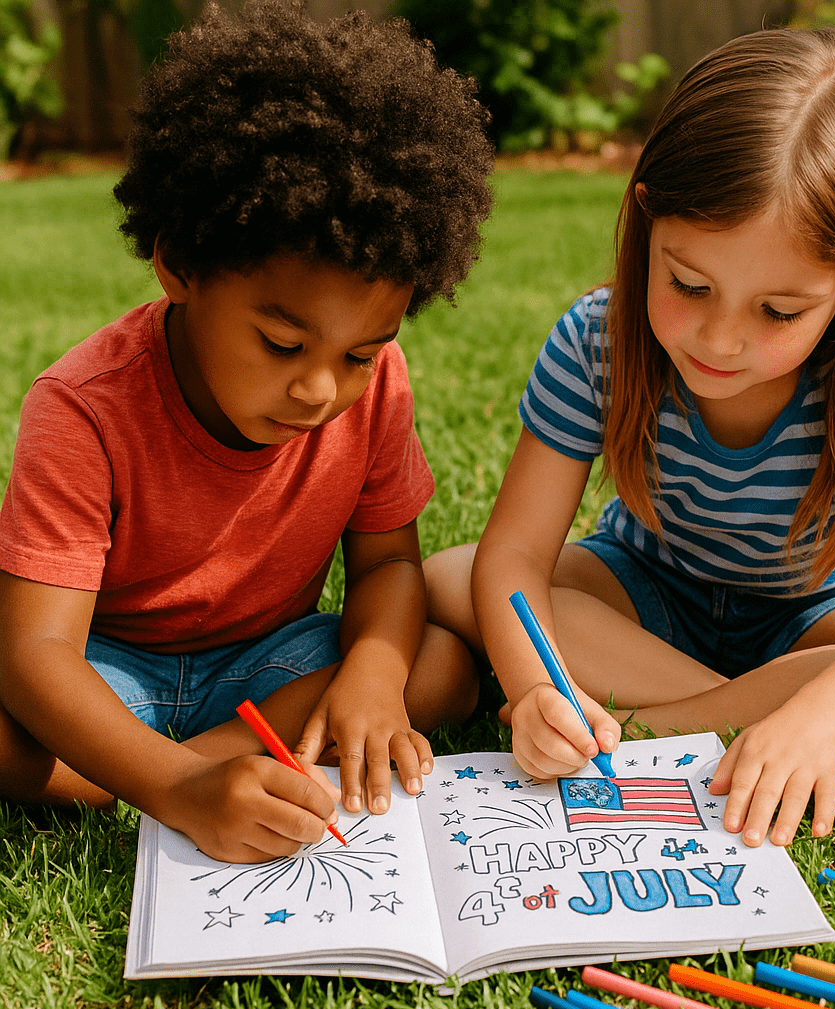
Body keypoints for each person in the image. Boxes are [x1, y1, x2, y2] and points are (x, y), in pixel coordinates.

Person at [425, 27, 835, 849]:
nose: (720, 339)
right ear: (647, 218)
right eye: (689, 284)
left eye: (779, 311)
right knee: (453, 578)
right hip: (649, 591)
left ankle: (659, 725)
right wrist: (533, 691)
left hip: (822, 617)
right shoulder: (597, 339)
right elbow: (517, 557)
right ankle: (727, 710)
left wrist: (821, 715)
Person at [0, 0, 493, 863]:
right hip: (109, 673)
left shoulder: (374, 391)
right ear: (180, 264)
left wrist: (373, 680)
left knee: (440, 665)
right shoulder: (83, 407)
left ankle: (182, 765)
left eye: (360, 354)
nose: (318, 389)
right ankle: (191, 770)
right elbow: (38, 654)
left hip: (273, 664)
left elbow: (389, 566)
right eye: (282, 343)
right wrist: (179, 792)